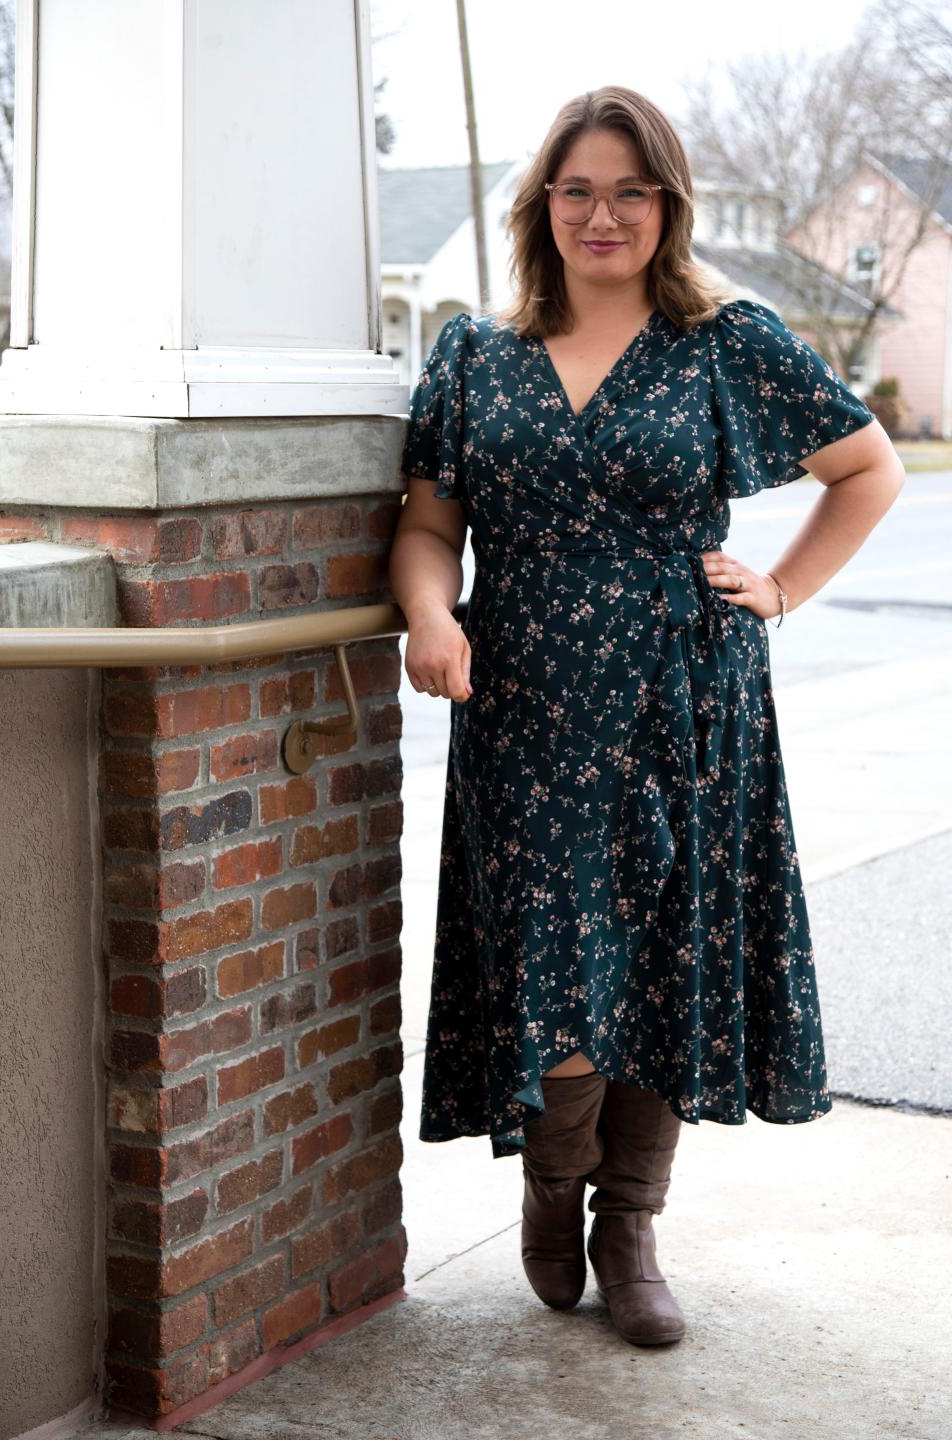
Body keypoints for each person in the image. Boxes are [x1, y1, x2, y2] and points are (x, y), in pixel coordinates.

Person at [388, 85, 905, 1348]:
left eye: (631, 190)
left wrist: (780, 586)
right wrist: (431, 615)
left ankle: (631, 1222)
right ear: (543, 206)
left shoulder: (726, 340)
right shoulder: (475, 355)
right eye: (578, 189)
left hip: (685, 704)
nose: (602, 213)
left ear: (668, 206)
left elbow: (869, 466)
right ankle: (553, 1183)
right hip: (527, 713)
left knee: (663, 963)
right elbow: (425, 525)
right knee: (565, 964)